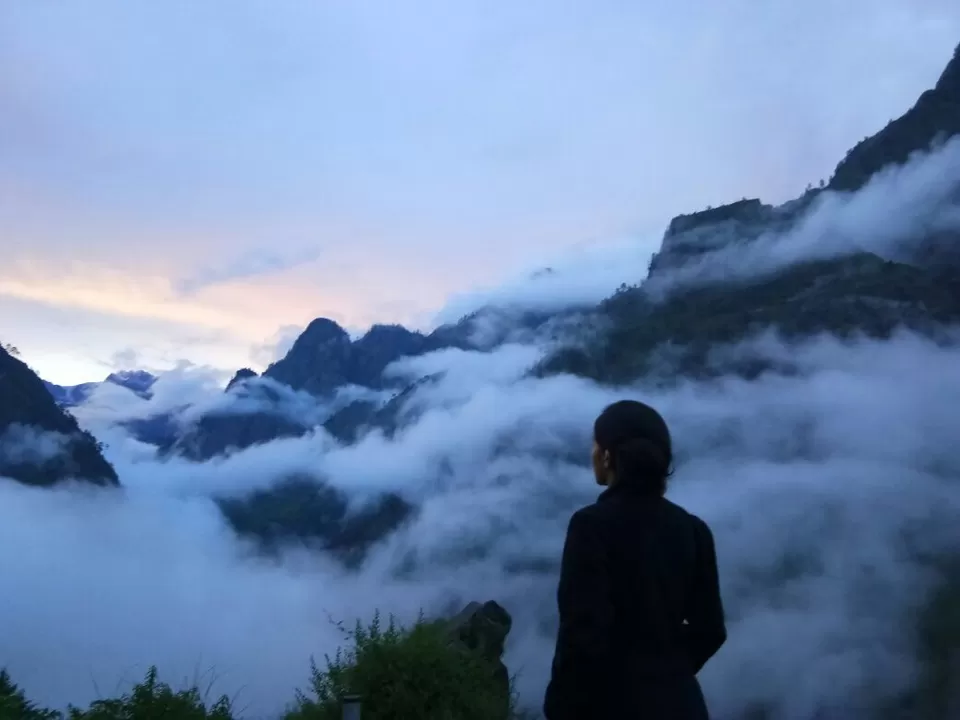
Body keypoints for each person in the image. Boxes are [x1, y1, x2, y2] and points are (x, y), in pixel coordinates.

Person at [543, 399, 727, 720]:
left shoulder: (590, 525)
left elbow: (582, 635)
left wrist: (562, 706)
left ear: (608, 456)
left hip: (611, 706)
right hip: (683, 705)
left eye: (595, 445)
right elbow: (711, 630)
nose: (592, 454)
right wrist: (668, 670)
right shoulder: (694, 529)